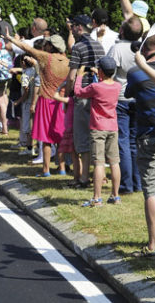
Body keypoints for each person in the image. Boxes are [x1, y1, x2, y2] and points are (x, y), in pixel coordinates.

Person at [126, 33, 155, 258]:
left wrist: (142, 65)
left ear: (144, 49)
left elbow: (129, 93)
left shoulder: (135, 73)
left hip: (149, 137)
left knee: (152, 191)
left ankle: (154, 245)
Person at [5, 33, 69, 177]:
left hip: (46, 100)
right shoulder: (67, 62)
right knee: (60, 137)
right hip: (60, 102)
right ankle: (62, 168)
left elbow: (26, 47)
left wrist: (10, 39)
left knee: (46, 139)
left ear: (51, 46)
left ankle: (46, 170)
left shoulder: (46, 58)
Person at [74, 56, 122, 207]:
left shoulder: (96, 87)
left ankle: (97, 198)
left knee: (99, 163)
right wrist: (100, 74)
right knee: (114, 162)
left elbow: (78, 92)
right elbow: (104, 84)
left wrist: (79, 76)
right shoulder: (117, 86)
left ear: (100, 71)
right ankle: (115, 196)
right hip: (113, 127)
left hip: (98, 128)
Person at [66, 14, 106, 188]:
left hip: (82, 96)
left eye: (73, 26)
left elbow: (72, 75)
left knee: (82, 138)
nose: (72, 29)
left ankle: (83, 178)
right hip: (97, 95)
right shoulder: (99, 46)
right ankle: (101, 175)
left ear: (80, 28)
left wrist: (69, 92)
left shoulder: (78, 47)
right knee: (96, 137)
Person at [107, 16, 143, 195]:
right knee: (135, 142)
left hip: (120, 98)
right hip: (139, 98)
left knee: (122, 142)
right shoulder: (142, 48)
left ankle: (126, 184)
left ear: (122, 31)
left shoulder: (117, 48)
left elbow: (109, 73)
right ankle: (138, 183)